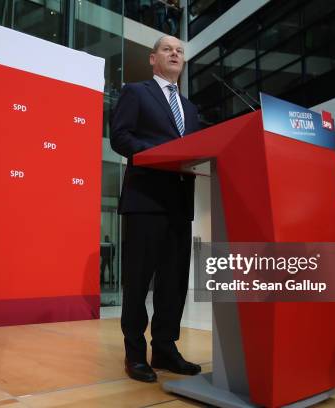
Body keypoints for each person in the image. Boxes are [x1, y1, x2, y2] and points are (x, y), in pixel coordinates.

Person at [110, 35, 201, 383]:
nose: (175, 53)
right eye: (167, 49)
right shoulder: (136, 92)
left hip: (180, 206)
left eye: (180, 51)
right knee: (138, 282)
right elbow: (120, 136)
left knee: (173, 283)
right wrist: (159, 154)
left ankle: (165, 347)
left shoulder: (190, 109)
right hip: (145, 201)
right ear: (153, 59)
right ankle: (135, 354)